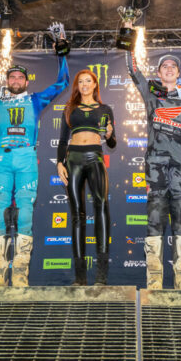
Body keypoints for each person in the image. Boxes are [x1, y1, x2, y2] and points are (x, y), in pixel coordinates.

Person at [0, 34, 69, 287]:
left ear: (26, 81)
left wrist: (62, 53)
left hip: (26, 158)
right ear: (7, 81)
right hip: (3, 159)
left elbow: (62, 82)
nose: (15, 80)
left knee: (24, 214)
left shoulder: (36, 99)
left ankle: (21, 274)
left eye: (20, 77)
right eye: (11, 77)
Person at [123, 20, 181, 290]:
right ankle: (154, 281)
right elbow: (132, 67)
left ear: (178, 73)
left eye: (173, 66)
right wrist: (130, 33)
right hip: (155, 167)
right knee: (155, 219)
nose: (169, 69)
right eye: (164, 66)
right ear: (159, 72)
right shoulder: (151, 92)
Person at [56, 70, 117, 285]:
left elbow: (112, 143)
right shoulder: (69, 109)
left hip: (95, 159)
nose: (84, 85)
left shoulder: (105, 109)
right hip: (73, 160)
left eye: (88, 81)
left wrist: (109, 134)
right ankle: (80, 278)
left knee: (101, 207)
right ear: (77, 86)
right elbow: (62, 140)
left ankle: (101, 276)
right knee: (77, 216)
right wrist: (59, 163)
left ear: (94, 84)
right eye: (80, 81)